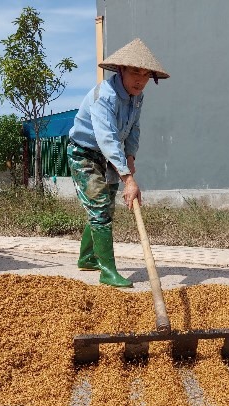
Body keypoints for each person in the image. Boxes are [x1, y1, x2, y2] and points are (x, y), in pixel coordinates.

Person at [67, 38, 169, 288]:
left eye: (146, 75)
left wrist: (130, 158)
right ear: (121, 69)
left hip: (110, 157)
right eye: (135, 72)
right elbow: (108, 138)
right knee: (100, 205)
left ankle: (87, 257)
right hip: (85, 154)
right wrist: (128, 179)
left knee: (104, 208)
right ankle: (107, 271)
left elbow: (133, 129)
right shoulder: (105, 96)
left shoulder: (137, 97)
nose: (140, 80)